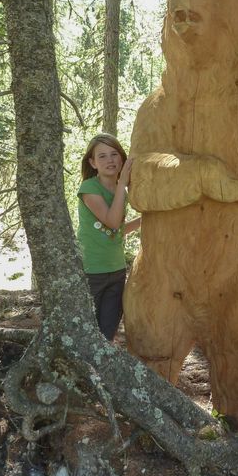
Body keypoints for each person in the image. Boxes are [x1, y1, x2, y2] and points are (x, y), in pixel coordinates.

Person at [77, 134, 141, 341]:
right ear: (92, 163)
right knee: (87, 333)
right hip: (91, 271)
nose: (110, 160)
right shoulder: (89, 188)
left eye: (114, 154)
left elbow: (117, 230)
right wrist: (122, 184)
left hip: (116, 270)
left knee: (107, 332)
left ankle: (102, 364)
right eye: (102, 156)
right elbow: (112, 222)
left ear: (122, 159)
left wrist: (147, 219)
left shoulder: (120, 191)